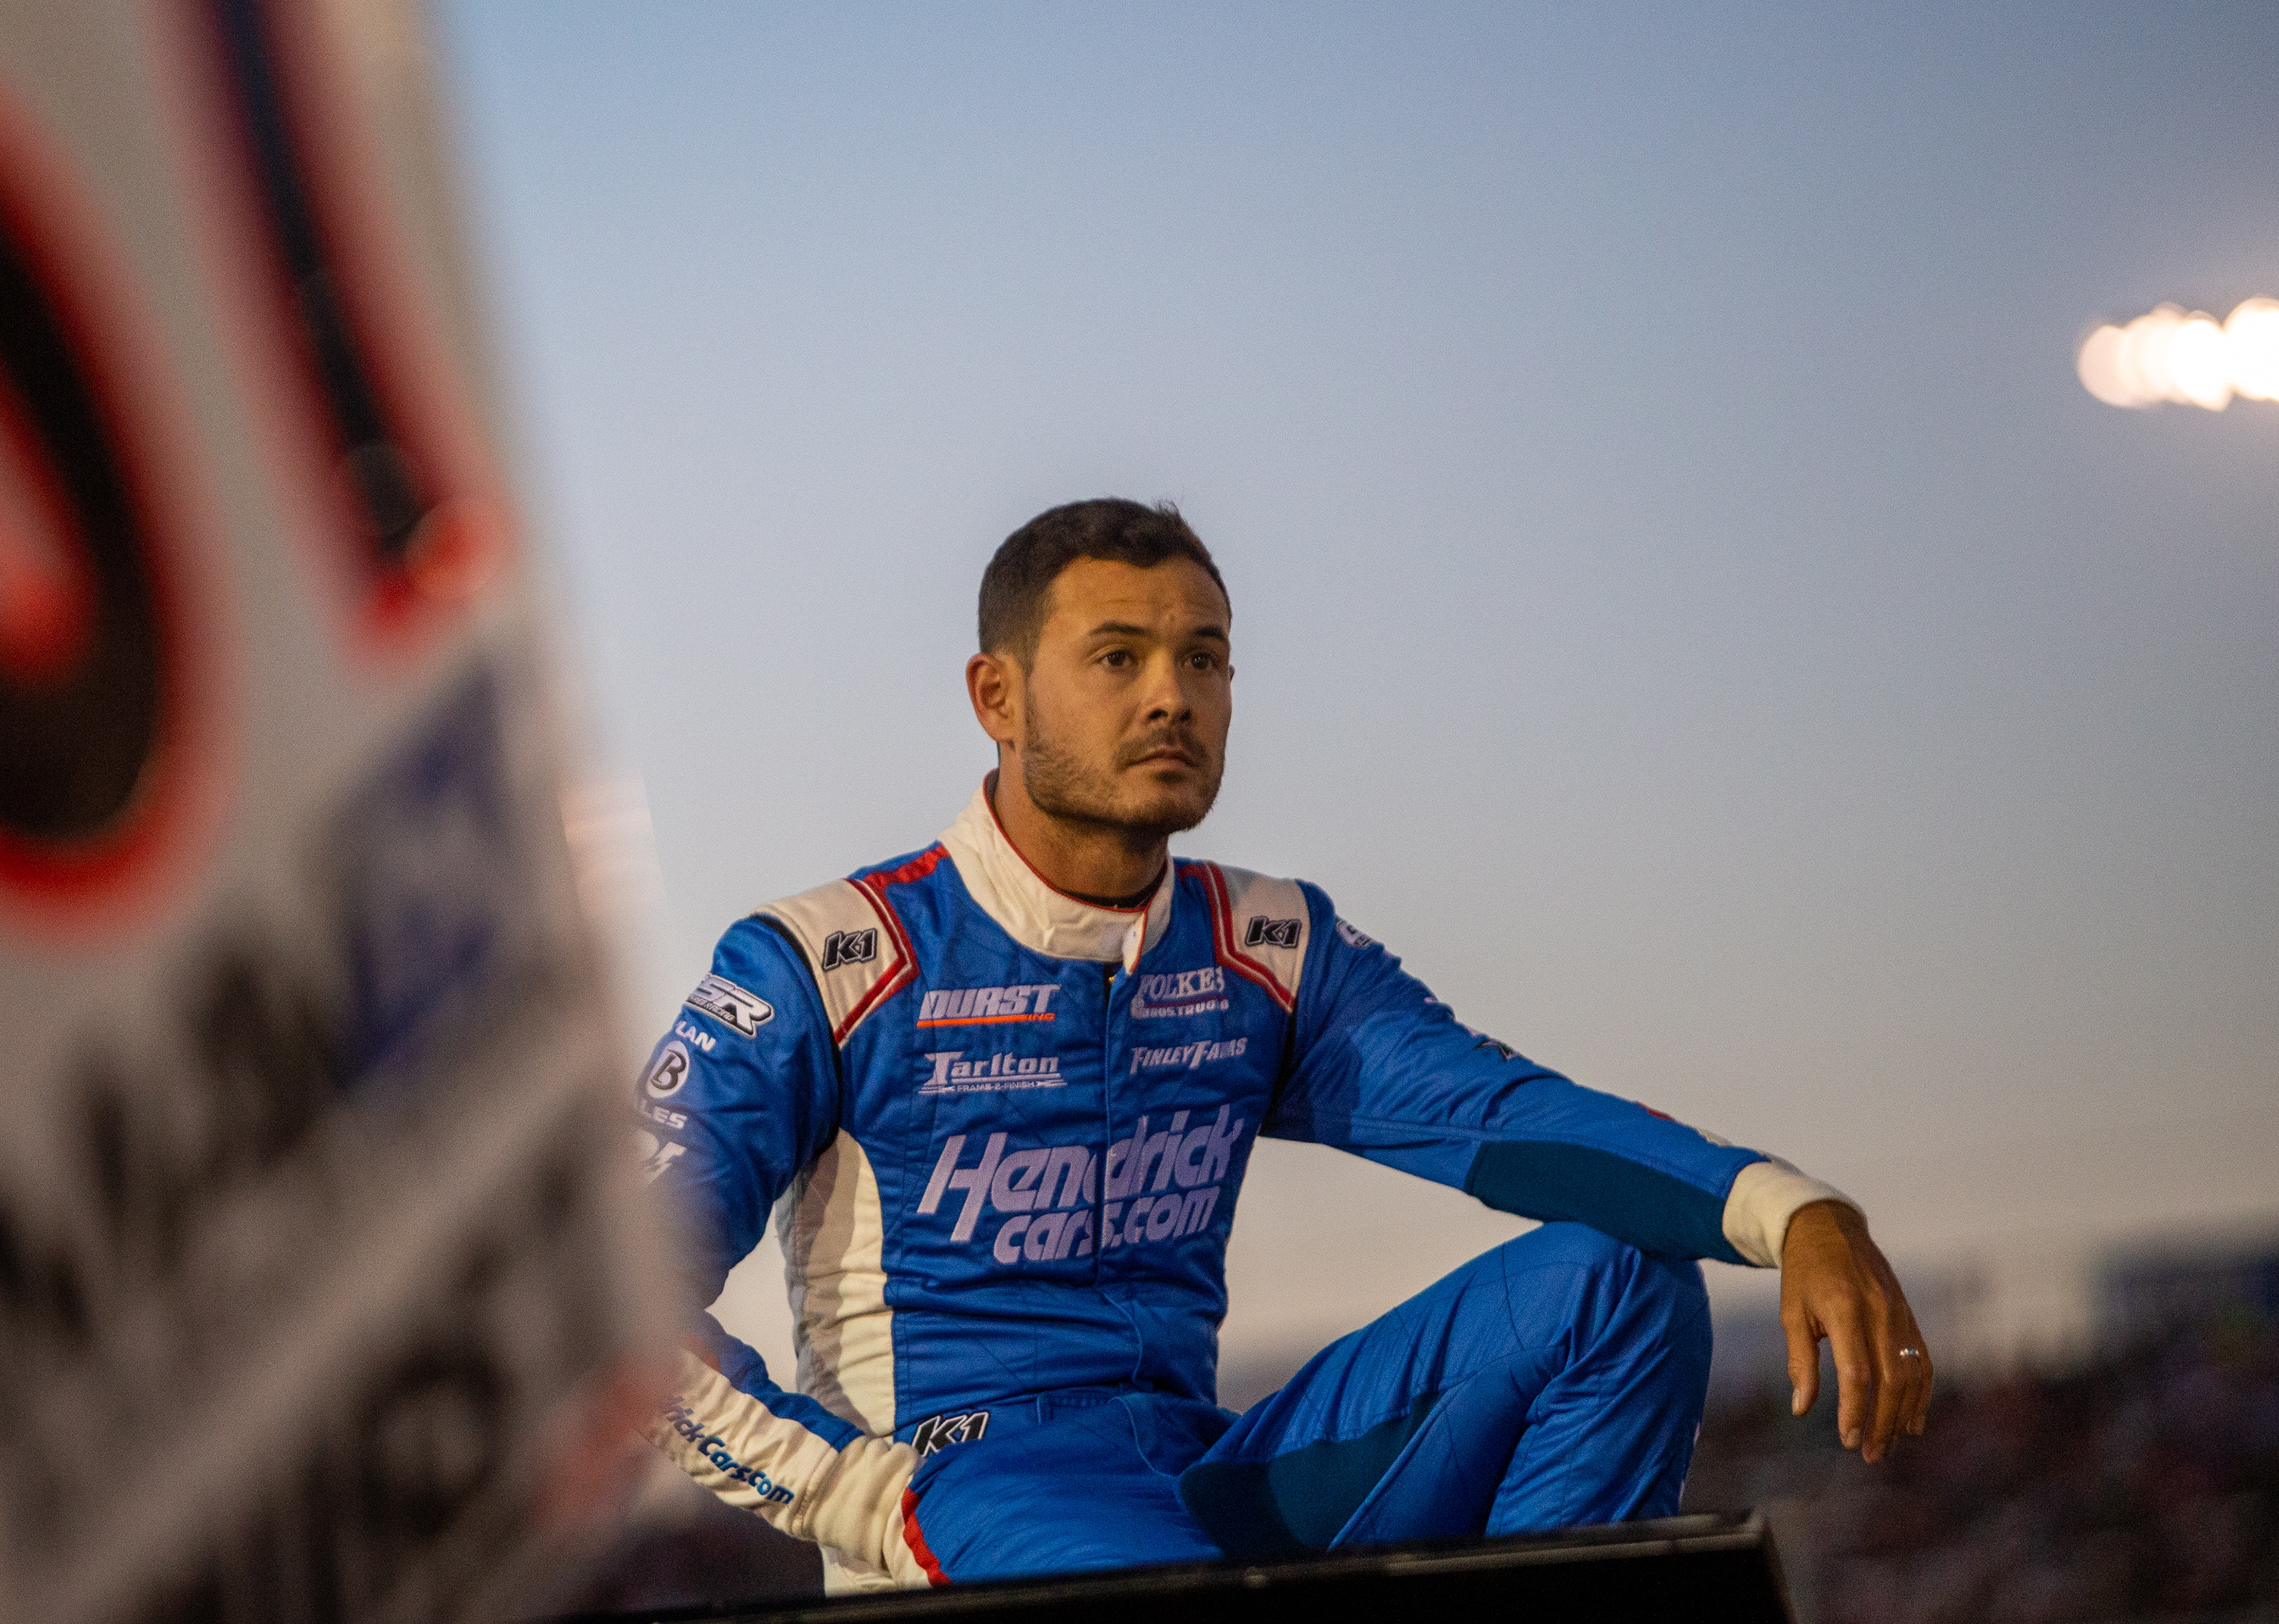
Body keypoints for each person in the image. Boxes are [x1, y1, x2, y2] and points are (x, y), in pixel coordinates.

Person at [633, 498, 1929, 1588]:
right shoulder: (823, 960)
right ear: (997, 694)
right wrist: (857, 1499)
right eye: (1118, 657)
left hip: (1202, 1473)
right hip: (968, 1491)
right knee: (1161, 1583)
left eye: (1205, 659)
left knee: (1624, 1288)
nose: (1173, 697)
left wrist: (1791, 1212)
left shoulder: (1264, 945)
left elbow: (1493, 1114)